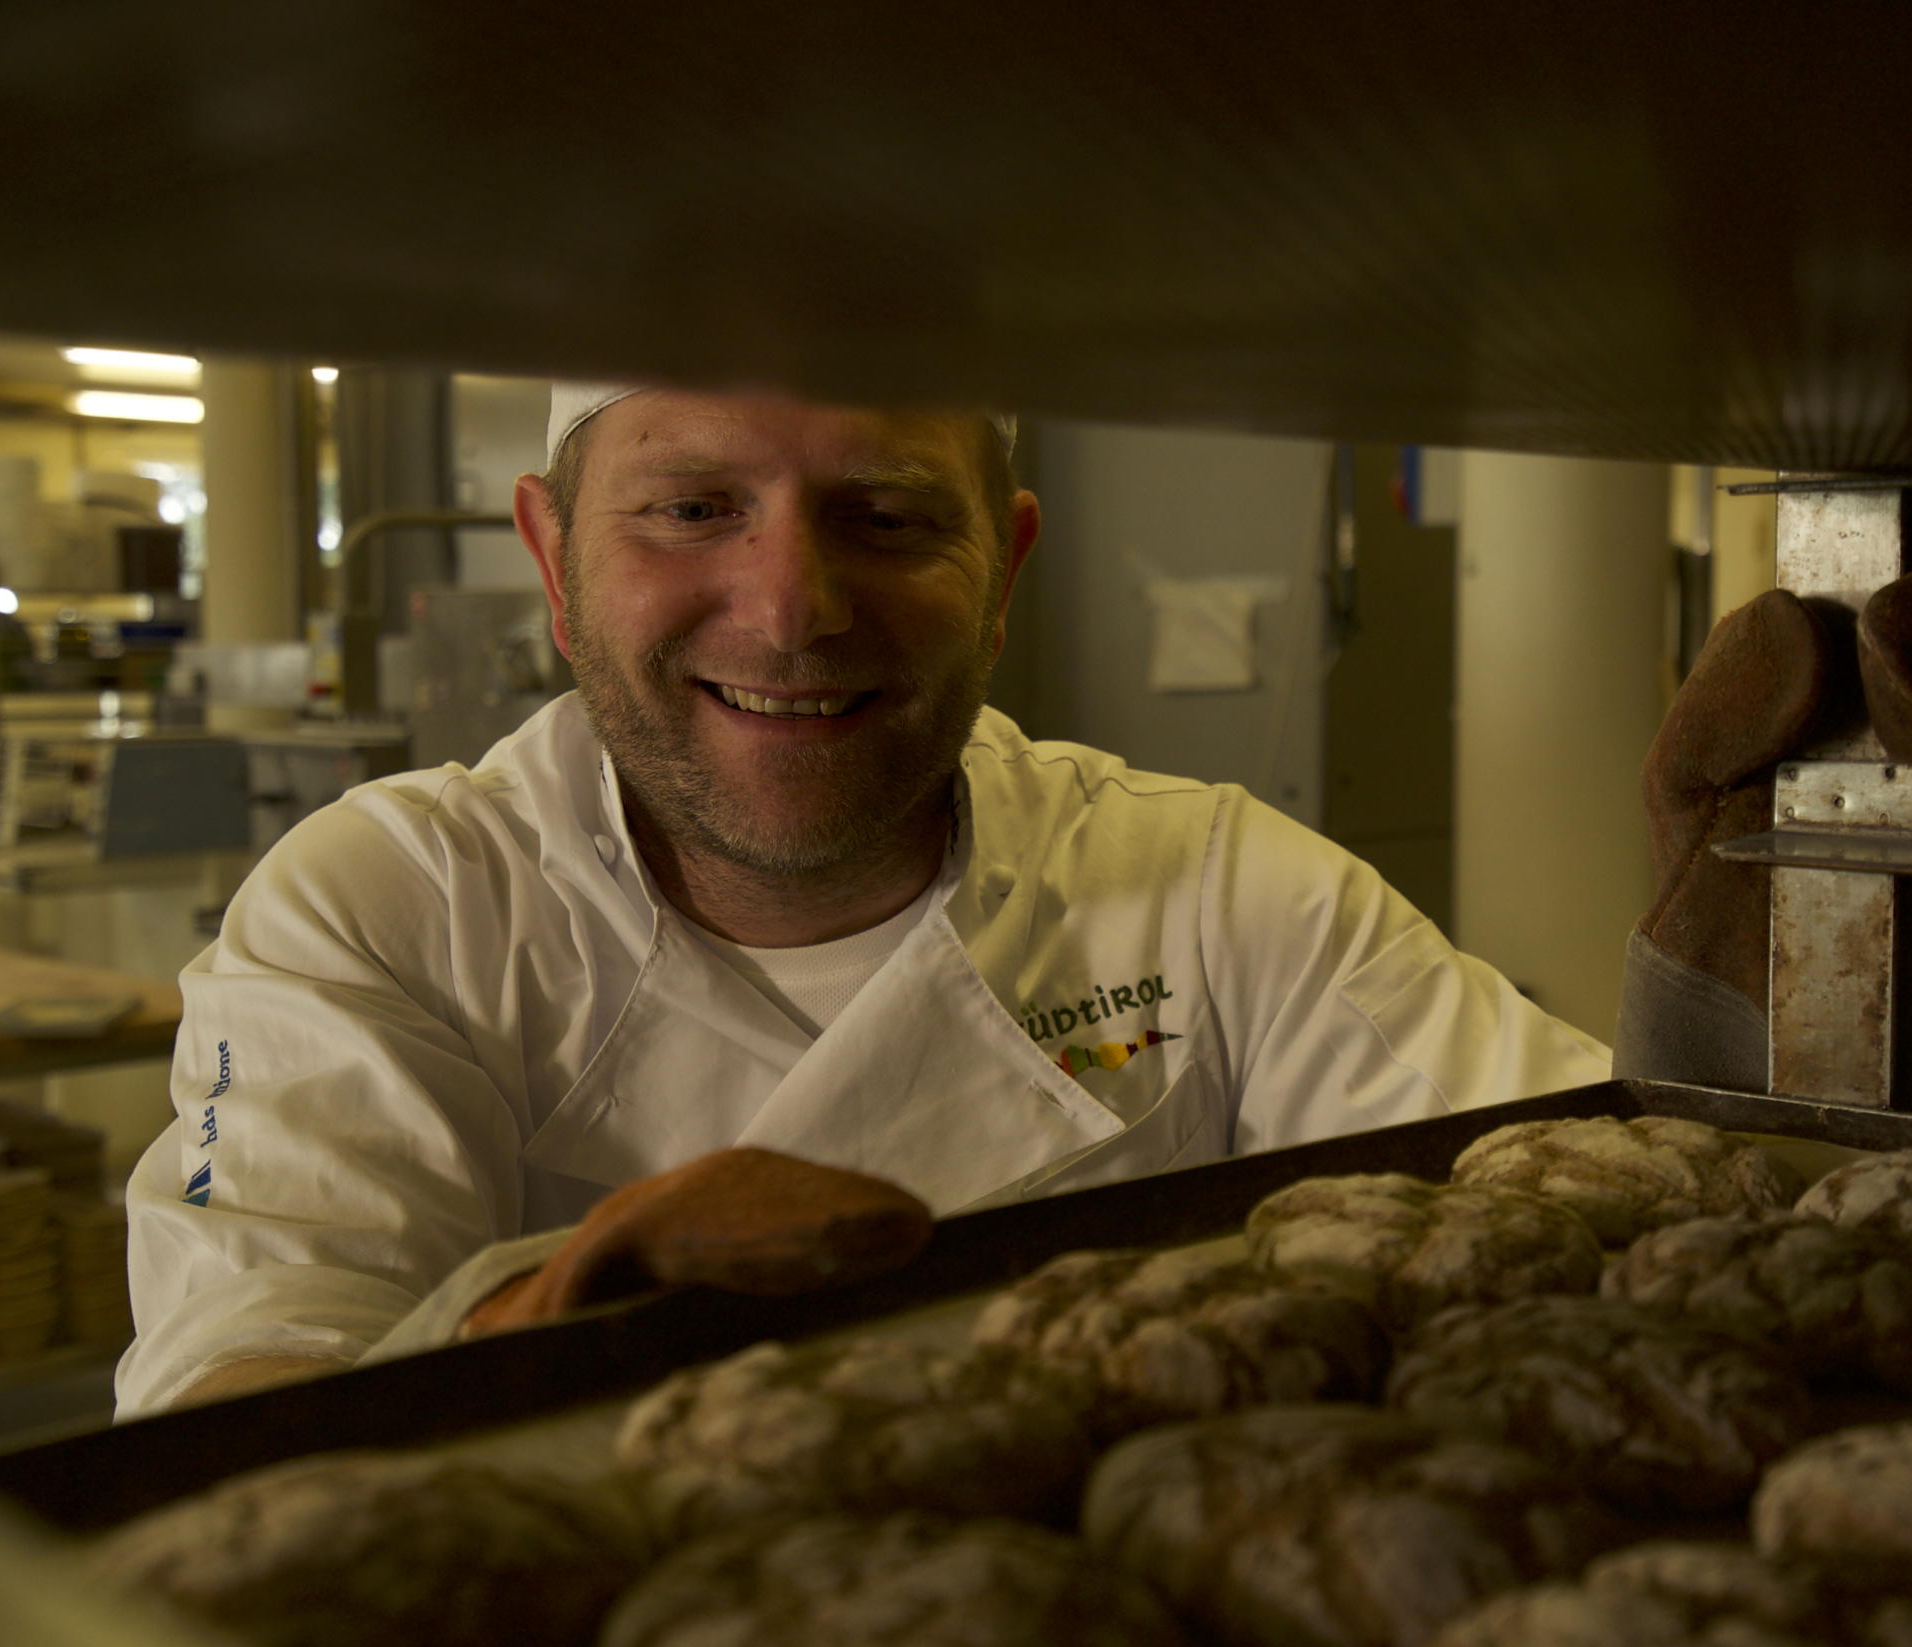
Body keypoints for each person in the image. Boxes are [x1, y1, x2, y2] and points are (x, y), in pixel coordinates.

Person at [116, 385, 1613, 1416]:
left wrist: (1719, 1008)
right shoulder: (390, 902)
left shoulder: (1214, 886)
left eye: (888, 516)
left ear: (1005, 568)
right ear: (554, 561)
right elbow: (233, 1389)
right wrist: (549, 1314)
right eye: (692, 507)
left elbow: (1580, 1222)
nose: (793, 609)